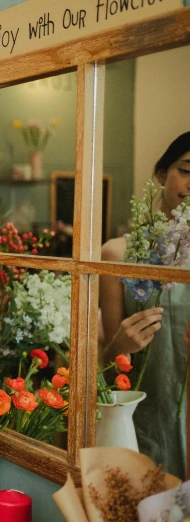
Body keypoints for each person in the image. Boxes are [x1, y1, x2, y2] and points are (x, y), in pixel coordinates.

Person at [100, 131, 190, 479]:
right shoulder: (117, 255)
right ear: (160, 175)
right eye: (186, 170)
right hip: (141, 428)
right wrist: (120, 347)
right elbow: (108, 370)